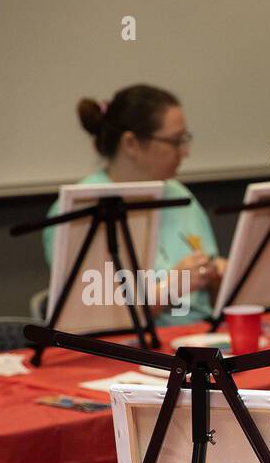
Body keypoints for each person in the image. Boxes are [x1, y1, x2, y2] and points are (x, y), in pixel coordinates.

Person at [43, 84, 224, 324]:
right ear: (131, 144)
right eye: (175, 141)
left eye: (185, 140)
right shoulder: (81, 207)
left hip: (199, 337)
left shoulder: (179, 194)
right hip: (127, 350)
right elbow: (91, 314)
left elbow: (210, 295)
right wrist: (169, 289)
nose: (185, 152)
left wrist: (219, 277)